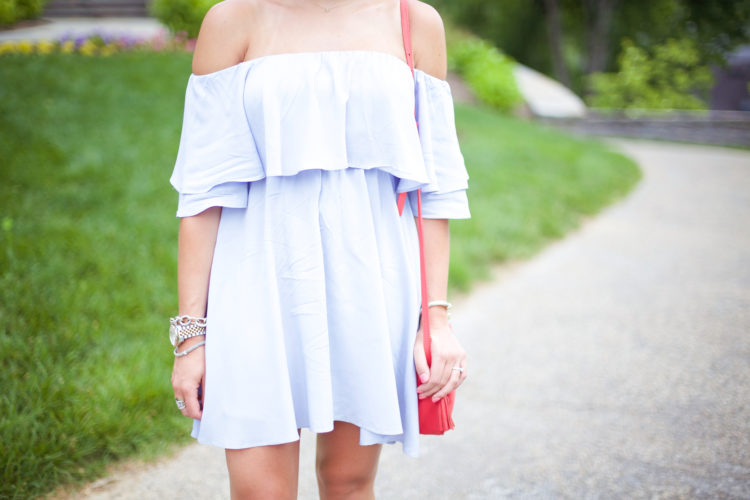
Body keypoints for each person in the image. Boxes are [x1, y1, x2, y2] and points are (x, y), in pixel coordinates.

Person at [168, 0, 470, 497]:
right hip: (254, 282)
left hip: (370, 283)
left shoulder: (413, 21)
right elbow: (202, 192)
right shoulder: (233, 19)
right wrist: (190, 338)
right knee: (259, 491)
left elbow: (435, 189)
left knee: (347, 483)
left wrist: (435, 318)